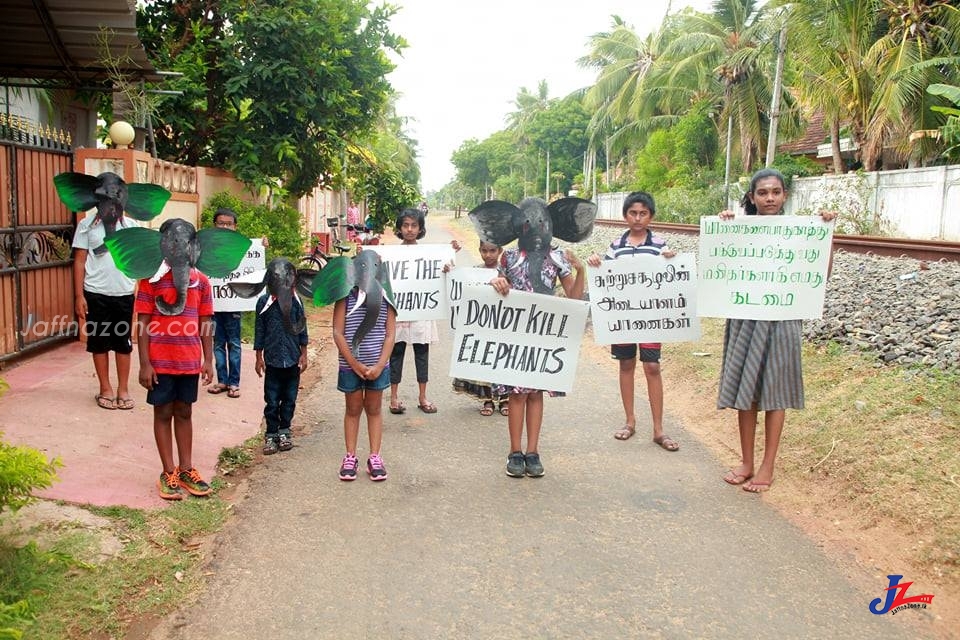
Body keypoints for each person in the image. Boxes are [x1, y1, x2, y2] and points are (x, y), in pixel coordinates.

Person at [717, 168, 836, 493]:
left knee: (775, 390)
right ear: (752, 197)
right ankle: (746, 461)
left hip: (783, 319)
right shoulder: (737, 229)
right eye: (763, 193)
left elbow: (817, 274)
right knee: (746, 390)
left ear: (784, 196)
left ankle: (767, 464)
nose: (769, 198)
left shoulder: (802, 231)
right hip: (745, 316)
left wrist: (825, 235)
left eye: (775, 192)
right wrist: (723, 226)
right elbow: (719, 267)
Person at [586, 191, 679, 451]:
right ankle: (629, 421)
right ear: (625, 215)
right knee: (626, 364)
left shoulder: (660, 245)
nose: (638, 218)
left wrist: (672, 261)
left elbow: (671, 279)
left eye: (643, 213)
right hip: (623, 317)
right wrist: (596, 262)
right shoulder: (616, 247)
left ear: (651, 216)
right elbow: (605, 277)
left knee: (652, 367)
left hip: (650, 317)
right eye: (633, 213)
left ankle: (659, 429)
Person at [490, 234, 586, 478]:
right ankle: (515, 452)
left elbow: (573, 298)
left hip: (543, 333)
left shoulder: (556, 257)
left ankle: (532, 452)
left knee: (534, 393)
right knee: (517, 394)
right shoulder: (509, 256)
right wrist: (498, 283)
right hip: (515, 332)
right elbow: (498, 286)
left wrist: (581, 270)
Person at [134, 220, 215, 500]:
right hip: (160, 363)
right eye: (173, 241)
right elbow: (142, 324)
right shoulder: (150, 280)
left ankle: (186, 469)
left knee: (184, 412)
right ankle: (168, 471)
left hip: (189, 362)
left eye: (186, 242)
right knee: (163, 412)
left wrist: (208, 360)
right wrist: (145, 363)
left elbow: (205, 322)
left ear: (194, 247)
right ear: (163, 245)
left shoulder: (201, 282)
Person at [387, 208, 461, 414]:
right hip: (399, 312)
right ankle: (393, 398)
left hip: (421, 312)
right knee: (396, 353)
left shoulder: (430, 255)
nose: (410, 230)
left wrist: (450, 257)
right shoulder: (390, 255)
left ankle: (423, 397)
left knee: (422, 353)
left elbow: (445, 270)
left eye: (414, 226)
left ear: (420, 229)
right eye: (405, 225)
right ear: (400, 229)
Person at [333, 259, 397, 481]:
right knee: (352, 408)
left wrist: (379, 365)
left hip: (377, 366)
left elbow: (390, 334)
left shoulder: (386, 298)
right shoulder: (345, 297)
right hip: (350, 365)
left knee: (374, 408)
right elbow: (338, 333)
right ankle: (350, 456)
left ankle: (375, 456)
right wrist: (354, 363)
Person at [72, 206, 138, 411]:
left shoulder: (131, 226)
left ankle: (123, 390)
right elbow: (80, 260)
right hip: (95, 293)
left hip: (124, 293)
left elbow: (136, 260)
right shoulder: (86, 226)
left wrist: (137, 291)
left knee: (123, 343)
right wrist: (79, 296)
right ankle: (105, 389)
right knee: (99, 343)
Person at [254, 259, 309, 455]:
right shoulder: (263, 302)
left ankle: (285, 430)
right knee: (271, 399)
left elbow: (302, 327)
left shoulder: (296, 301)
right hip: (272, 360)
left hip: (292, 360)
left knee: (289, 398)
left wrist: (304, 354)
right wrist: (258, 357)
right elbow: (259, 330)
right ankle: (271, 434)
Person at [451, 240, 508, 417]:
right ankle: (488, 400)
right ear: (479, 250)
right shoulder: (474, 272)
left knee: (502, 360)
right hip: (482, 325)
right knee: (485, 361)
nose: (488, 255)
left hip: (503, 325)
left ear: (499, 251)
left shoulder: (507, 272)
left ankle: (505, 399)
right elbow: (459, 286)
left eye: (492, 250)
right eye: (484, 251)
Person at [207, 208, 243, 398]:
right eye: (221, 223)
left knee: (234, 343)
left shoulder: (243, 247)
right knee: (218, 342)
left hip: (234, 305)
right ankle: (222, 380)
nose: (225, 227)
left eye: (229, 224)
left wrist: (261, 245)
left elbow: (253, 262)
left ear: (235, 227)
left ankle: (234, 382)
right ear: (215, 226)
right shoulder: (206, 247)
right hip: (213, 304)